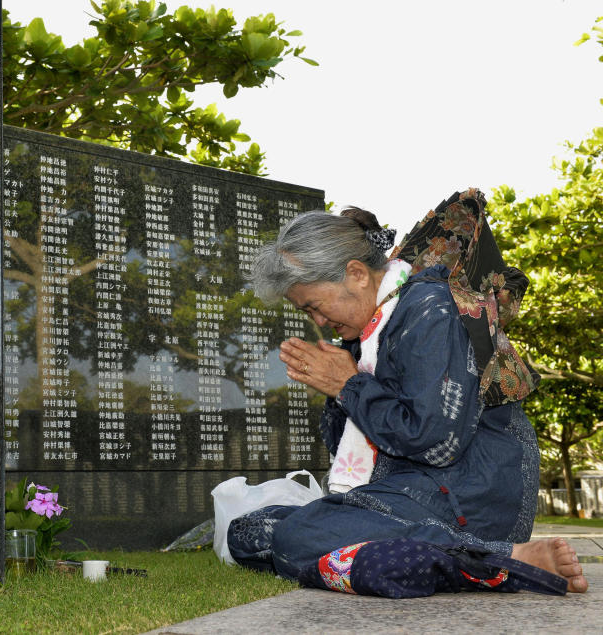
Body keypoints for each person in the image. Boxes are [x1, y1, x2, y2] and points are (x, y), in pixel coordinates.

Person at [228, 199, 588, 597]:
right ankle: (437, 560)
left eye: (314, 305)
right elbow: (353, 446)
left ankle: (500, 556)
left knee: (297, 536)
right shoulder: (364, 338)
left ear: (356, 274)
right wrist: (341, 387)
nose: (317, 321)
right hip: (412, 496)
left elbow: (436, 444)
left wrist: (349, 386)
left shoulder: (430, 309)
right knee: (248, 531)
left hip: (469, 497)